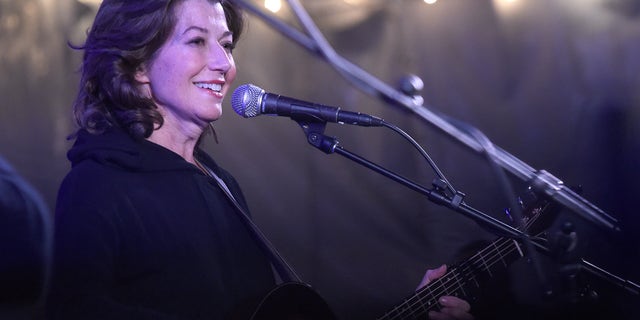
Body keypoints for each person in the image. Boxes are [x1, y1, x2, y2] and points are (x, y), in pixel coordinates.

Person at [47, 0, 473, 319]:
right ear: (138, 64)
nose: (224, 64)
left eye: (227, 45)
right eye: (196, 41)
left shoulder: (219, 182)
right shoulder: (98, 187)